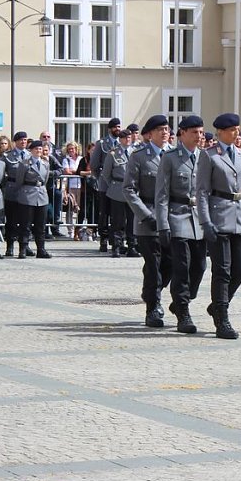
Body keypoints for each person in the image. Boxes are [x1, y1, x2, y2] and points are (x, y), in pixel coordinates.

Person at [196, 112, 241, 339]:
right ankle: (222, 317)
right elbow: (201, 192)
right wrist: (205, 221)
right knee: (221, 271)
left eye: (238, 129)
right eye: (232, 130)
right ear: (221, 132)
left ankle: (217, 305)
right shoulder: (209, 155)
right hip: (218, 216)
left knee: (239, 271)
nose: (237, 133)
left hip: (240, 217)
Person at [155, 115, 207, 334]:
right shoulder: (170, 158)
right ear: (182, 133)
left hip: (199, 219)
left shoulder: (205, 157)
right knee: (182, 267)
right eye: (194, 132)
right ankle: (183, 313)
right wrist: (163, 224)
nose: (199, 136)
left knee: (200, 266)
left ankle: (180, 302)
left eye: (201, 132)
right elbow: (162, 194)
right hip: (177, 217)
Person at [124, 114, 173, 328]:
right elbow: (129, 189)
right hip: (148, 218)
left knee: (170, 263)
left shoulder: (174, 154)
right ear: (149, 134)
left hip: (171, 218)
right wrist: (145, 215)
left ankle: (151, 291)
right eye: (160, 129)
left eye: (167, 129)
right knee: (153, 264)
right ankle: (153, 307)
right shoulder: (139, 156)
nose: (165, 132)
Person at [14, 140, 51, 259]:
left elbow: (45, 180)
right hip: (27, 194)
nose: (38, 151)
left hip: (41, 194)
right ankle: (23, 249)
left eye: (40, 149)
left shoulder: (45, 163)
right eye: (36, 149)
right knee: (25, 224)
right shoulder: (25, 163)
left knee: (41, 225)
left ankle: (41, 249)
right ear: (31, 150)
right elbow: (19, 181)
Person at [104, 129, 138, 258]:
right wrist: (114, 186)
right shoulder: (113, 153)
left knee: (132, 220)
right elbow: (106, 174)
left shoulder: (136, 152)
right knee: (118, 221)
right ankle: (117, 247)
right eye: (124, 137)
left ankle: (132, 246)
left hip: (133, 190)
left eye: (129, 137)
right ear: (120, 139)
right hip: (117, 189)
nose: (127, 139)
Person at [91, 117, 122, 252]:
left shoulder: (122, 143)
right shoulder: (102, 143)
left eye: (119, 127)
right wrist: (100, 178)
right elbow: (94, 164)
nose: (118, 129)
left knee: (118, 213)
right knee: (104, 212)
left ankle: (116, 239)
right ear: (110, 129)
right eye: (115, 127)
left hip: (118, 183)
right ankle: (103, 238)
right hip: (105, 183)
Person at [2, 131, 30, 256]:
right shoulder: (8, 156)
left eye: (25, 140)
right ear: (15, 142)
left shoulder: (30, 155)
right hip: (12, 190)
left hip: (27, 191)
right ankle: (10, 246)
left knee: (26, 221)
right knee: (11, 221)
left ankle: (25, 245)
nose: (23, 142)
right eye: (21, 140)